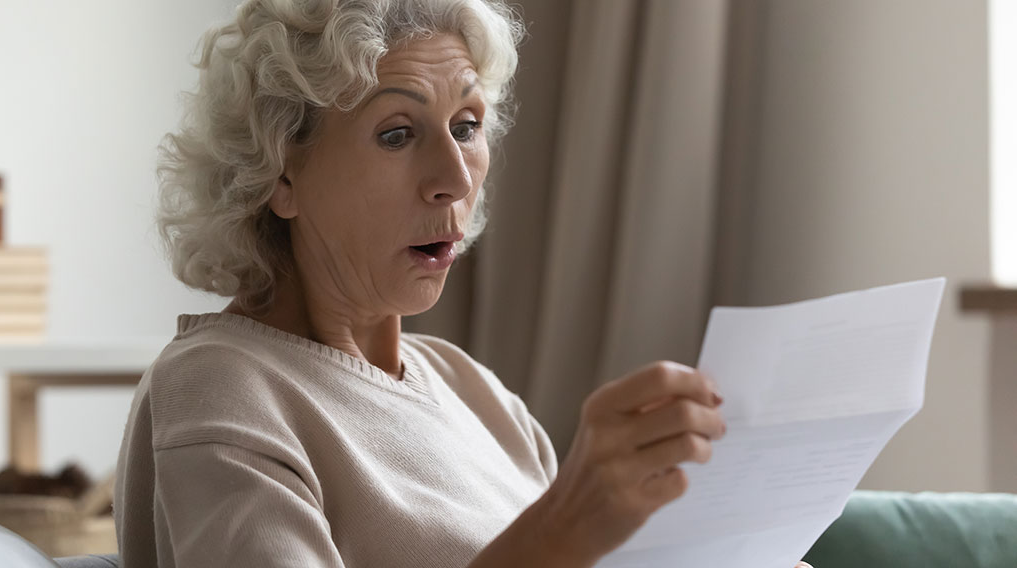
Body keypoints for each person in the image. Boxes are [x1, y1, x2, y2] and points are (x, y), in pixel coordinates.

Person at [113, 1, 813, 567]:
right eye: (397, 133)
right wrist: (563, 533)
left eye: (468, 126)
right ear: (281, 172)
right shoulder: (221, 389)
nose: (454, 177)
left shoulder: (470, 390)